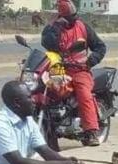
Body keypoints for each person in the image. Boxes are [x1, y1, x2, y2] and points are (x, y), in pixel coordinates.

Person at [41, 0, 107, 147]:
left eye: (74, 16)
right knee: (45, 89)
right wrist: (54, 26)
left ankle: (91, 132)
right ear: (61, 16)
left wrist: (90, 61)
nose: (73, 19)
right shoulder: (54, 28)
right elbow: (47, 43)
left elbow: (100, 47)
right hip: (58, 69)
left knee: (84, 94)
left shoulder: (83, 27)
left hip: (80, 70)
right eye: (69, 17)